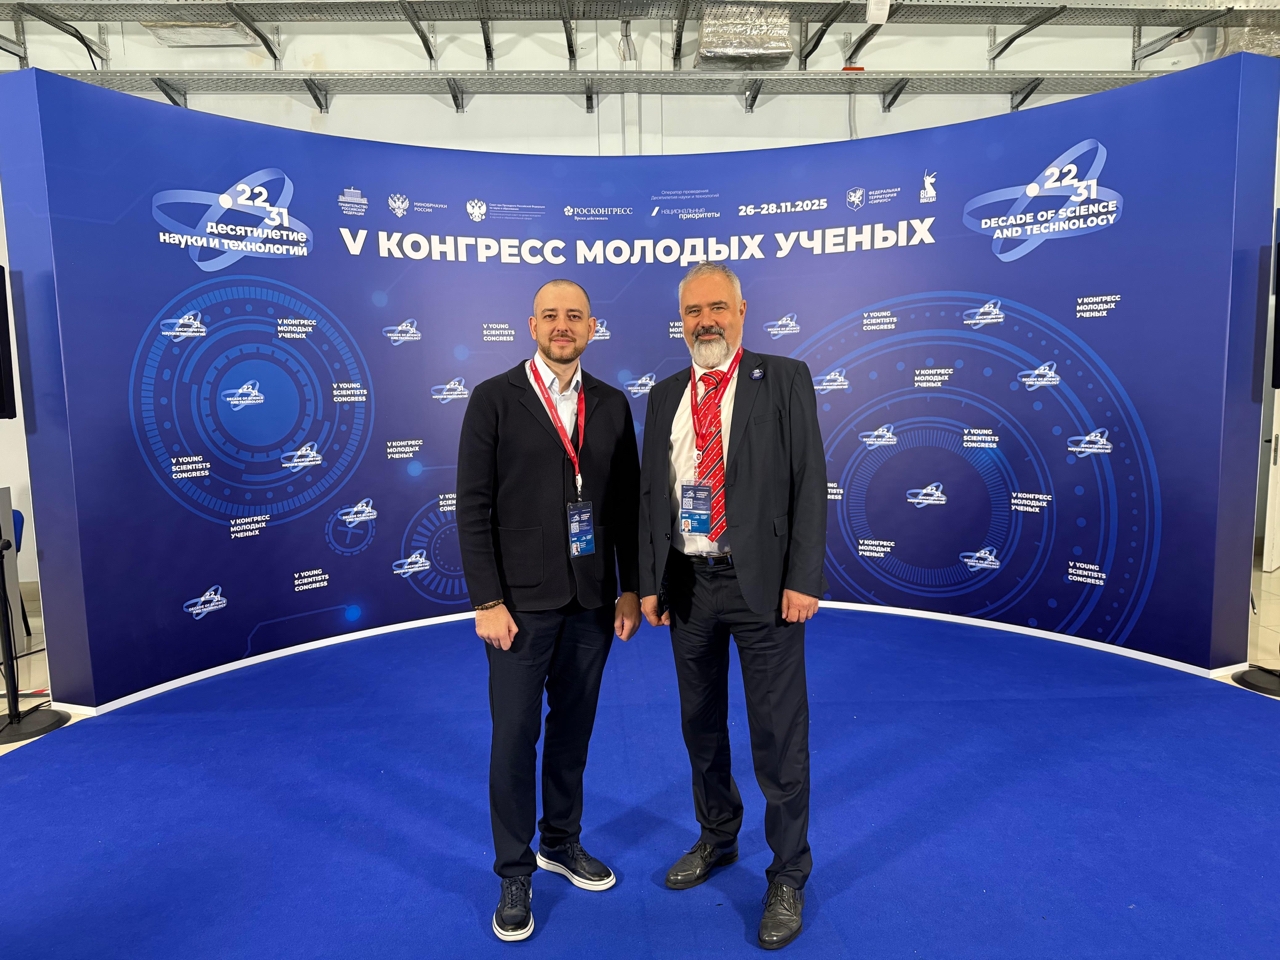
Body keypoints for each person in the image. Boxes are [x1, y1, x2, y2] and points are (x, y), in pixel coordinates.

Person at [638, 262, 827, 950]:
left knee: (779, 734)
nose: (706, 321)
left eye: (717, 307)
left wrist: (803, 578)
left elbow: (809, 481)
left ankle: (788, 872)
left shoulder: (784, 378)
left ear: (742, 311)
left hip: (765, 587)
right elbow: (652, 494)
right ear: (681, 321)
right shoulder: (665, 396)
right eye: (693, 311)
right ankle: (717, 837)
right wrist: (650, 580)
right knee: (701, 726)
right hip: (690, 586)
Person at [457, 279, 642, 942]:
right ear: (531, 325)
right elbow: (473, 508)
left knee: (573, 731)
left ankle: (560, 841)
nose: (563, 326)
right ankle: (515, 870)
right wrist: (487, 600)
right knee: (514, 738)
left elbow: (626, 507)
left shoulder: (612, 404)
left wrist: (629, 587)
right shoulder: (493, 399)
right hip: (517, 608)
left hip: (591, 602)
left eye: (575, 316)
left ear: (591, 327)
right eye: (551, 316)